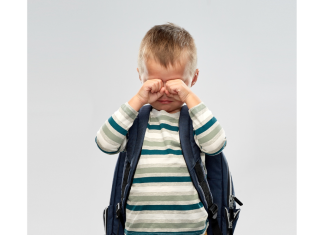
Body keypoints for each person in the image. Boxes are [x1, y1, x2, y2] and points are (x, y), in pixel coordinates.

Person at [95, 22, 227, 235]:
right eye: (155, 82)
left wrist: (189, 97)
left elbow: (216, 145)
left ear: (193, 78)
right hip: (138, 230)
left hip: (193, 231)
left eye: (176, 84)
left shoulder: (196, 121)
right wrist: (138, 99)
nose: (165, 91)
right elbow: (105, 143)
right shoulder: (135, 121)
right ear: (141, 76)